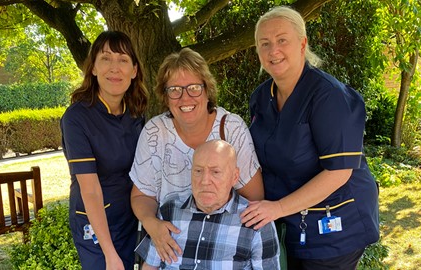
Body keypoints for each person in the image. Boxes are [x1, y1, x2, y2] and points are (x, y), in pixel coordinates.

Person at [240, 6, 380, 270]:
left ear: (302, 43)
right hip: (293, 221)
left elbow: (339, 173)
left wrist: (278, 208)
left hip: (337, 224)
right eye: (264, 43)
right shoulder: (261, 97)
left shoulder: (328, 96)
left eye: (282, 40)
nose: (273, 51)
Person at [130, 47, 264, 264]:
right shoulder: (155, 132)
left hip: (222, 247)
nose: (185, 98)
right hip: (170, 247)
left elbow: (254, 199)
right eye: (174, 89)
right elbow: (141, 195)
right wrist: (151, 223)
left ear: (207, 90)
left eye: (194, 88)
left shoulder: (231, 128)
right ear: (165, 95)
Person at [60, 30, 149, 269]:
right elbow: (90, 191)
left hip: (130, 218)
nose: (114, 67)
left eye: (123, 60)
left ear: (134, 70)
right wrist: (110, 254)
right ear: (93, 68)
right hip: (95, 223)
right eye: (106, 58)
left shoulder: (136, 113)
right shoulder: (77, 118)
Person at [135, 139, 280, 269]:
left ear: (234, 177)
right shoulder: (169, 211)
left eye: (215, 172)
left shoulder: (256, 221)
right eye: (198, 171)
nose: (204, 180)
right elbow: (150, 266)